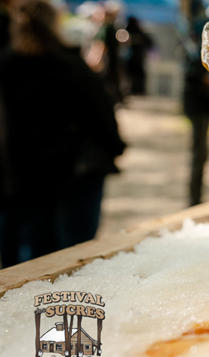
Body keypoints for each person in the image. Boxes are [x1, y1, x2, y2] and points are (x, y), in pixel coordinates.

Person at [0, 0, 125, 268]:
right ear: (54, 24)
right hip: (71, 178)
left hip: (23, 179)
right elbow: (102, 115)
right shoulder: (69, 65)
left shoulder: (6, 66)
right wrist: (116, 147)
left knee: (27, 262)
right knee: (70, 261)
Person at [181, 0, 209, 206]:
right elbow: (195, 64)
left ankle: (195, 196)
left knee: (200, 153)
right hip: (196, 99)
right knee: (198, 153)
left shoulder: (193, 23)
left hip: (200, 99)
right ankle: (194, 199)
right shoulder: (191, 28)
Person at [85, 1, 123, 105]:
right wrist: (96, 58)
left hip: (110, 58)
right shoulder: (106, 27)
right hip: (106, 58)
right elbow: (100, 44)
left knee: (109, 80)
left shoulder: (110, 26)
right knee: (106, 80)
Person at [124, 16, 153, 95]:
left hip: (132, 58)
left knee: (133, 75)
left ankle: (134, 91)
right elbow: (150, 43)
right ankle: (137, 91)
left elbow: (149, 43)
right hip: (135, 57)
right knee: (136, 75)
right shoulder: (135, 32)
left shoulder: (127, 31)